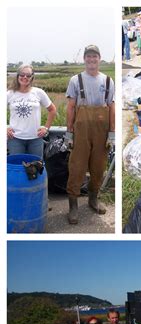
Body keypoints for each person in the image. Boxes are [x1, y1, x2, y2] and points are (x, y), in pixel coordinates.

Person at [65, 44, 115, 224]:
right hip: (81, 131)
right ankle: (73, 205)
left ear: (99, 59)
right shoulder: (75, 80)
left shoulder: (108, 81)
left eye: (95, 56)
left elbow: (112, 108)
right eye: (88, 56)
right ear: (84, 59)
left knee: (98, 167)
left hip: (101, 132)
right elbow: (70, 107)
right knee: (77, 167)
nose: (91, 59)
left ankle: (93, 199)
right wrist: (69, 132)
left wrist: (112, 133)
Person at [7, 64, 57, 158]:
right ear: (18, 76)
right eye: (22, 74)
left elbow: (52, 110)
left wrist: (46, 128)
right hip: (15, 139)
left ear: (32, 77)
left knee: (36, 167)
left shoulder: (39, 92)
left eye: (28, 75)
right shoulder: (9, 94)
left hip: (36, 139)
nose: (25, 77)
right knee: (18, 168)